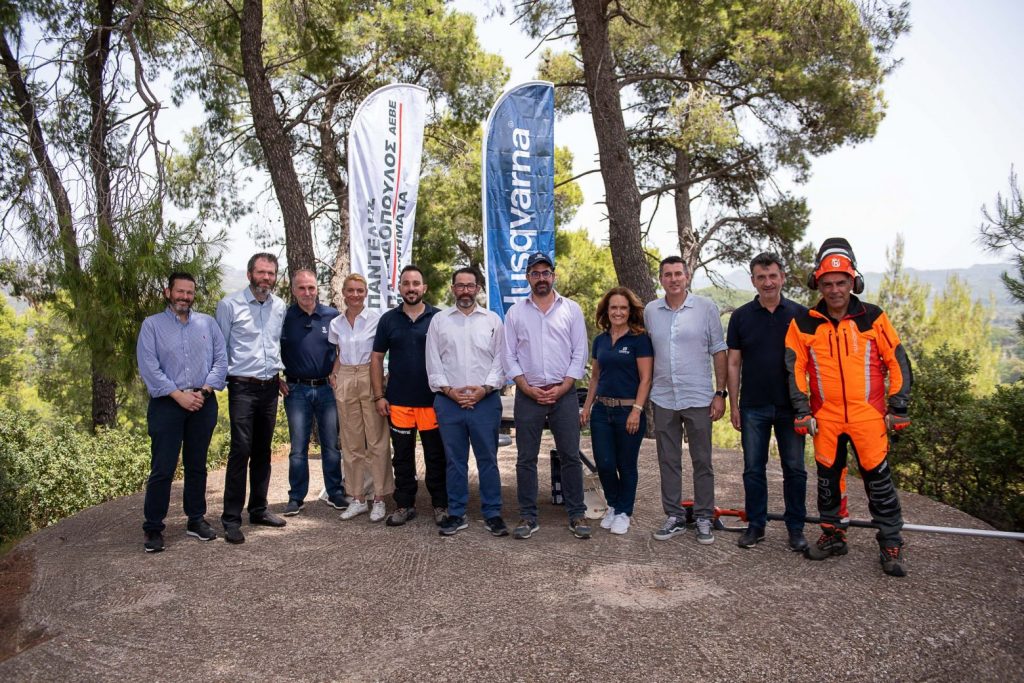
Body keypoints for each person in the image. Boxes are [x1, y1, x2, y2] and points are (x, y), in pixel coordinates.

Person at [785, 237, 912, 577]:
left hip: (868, 416)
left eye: (841, 282)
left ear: (853, 282)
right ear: (818, 284)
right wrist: (802, 411)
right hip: (825, 417)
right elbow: (794, 367)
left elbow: (897, 361)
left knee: (879, 482)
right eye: (827, 283)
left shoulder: (874, 318)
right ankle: (833, 535)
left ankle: (890, 542)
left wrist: (899, 406)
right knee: (828, 482)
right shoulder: (804, 323)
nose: (835, 290)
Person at [503, 252, 591, 540]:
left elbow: (579, 352)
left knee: (570, 456)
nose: (541, 278)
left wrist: (564, 386)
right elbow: (509, 355)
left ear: (553, 275)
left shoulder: (571, 309)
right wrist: (526, 387)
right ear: (528, 277)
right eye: (535, 273)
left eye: (545, 273)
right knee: (525, 458)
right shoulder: (516, 313)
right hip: (528, 395)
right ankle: (528, 516)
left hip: (563, 394)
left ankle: (577, 514)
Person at [137, 272, 227, 553]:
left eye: (189, 293)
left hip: (202, 401)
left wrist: (203, 392)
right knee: (163, 467)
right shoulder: (152, 325)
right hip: (167, 403)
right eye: (180, 291)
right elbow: (149, 366)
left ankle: (196, 519)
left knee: (197, 464)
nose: (185, 297)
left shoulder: (207, 323)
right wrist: (178, 395)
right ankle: (153, 527)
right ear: (168, 292)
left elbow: (221, 360)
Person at [726, 253, 809, 551]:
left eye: (773, 276)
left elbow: (813, 363)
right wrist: (734, 405)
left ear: (782, 277)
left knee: (795, 469)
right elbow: (733, 363)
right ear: (753, 281)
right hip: (753, 405)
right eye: (761, 277)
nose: (768, 282)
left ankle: (796, 529)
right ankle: (756, 525)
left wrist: (811, 406)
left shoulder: (801, 314)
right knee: (753, 469)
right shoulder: (741, 316)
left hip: (792, 407)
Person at [644, 256, 728, 545]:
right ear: (661, 279)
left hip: (698, 396)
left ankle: (704, 517)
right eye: (667, 274)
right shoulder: (651, 311)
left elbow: (719, 350)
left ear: (687, 276)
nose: (673, 279)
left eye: (678, 273)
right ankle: (675, 516)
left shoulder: (705, 307)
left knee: (702, 460)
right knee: (668, 460)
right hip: (664, 397)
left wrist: (720, 393)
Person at [426, 267, 507, 537]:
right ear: (453, 289)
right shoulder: (440, 321)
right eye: (460, 286)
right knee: (454, 461)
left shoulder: (493, 320)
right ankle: (457, 513)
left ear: (478, 288)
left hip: (485, 401)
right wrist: (450, 392)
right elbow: (433, 361)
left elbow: (500, 360)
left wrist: (484, 389)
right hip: (449, 402)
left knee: (488, 459)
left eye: (470, 286)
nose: (465, 291)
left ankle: (493, 514)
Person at [216, 252, 288, 544]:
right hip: (242, 388)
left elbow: (275, 345)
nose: (266, 278)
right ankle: (231, 519)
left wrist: (279, 376)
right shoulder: (229, 305)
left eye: (271, 273)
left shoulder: (279, 307)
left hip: (270, 387)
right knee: (241, 449)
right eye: (261, 272)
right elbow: (221, 348)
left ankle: (258, 509)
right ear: (250, 275)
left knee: (262, 450)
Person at [371, 264, 448, 527]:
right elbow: (376, 358)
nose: (411, 288)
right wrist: (379, 396)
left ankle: (440, 505)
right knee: (402, 458)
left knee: (435, 456)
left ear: (424, 287)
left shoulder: (439, 318)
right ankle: (404, 505)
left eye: (416, 283)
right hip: (399, 403)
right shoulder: (388, 320)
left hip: (432, 402)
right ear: (400, 287)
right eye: (406, 283)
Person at [580, 287, 653, 536]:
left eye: (623, 308)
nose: (618, 312)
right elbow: (595, 378)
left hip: (628, 411)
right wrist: (587, 407)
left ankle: (623, 512)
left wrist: (636, 410)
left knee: (626, 464)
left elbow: (646, 379)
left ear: (630, 311)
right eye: (614, 307)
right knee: (605, 463)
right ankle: (612, 505)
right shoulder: (600, 340)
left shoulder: (639, 340)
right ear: (607, 310)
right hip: (602, 411)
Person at [279, 269, 347, 516]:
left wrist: (336, 373)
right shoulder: (284, 317)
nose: (307, 292)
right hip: (296, 389)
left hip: (327, 388)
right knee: (298, 448)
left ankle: (335, 492)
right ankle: (296, 497)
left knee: (331, 445)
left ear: (317, 288)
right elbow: (270, 347)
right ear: (293, 290)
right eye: (301, 288)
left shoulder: (332, 316)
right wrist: (276, 377)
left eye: (311, 287)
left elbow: (343, 348)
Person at [329, 274, 394, 522]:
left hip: (370, 374)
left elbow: (383, 353)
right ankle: (357, 498)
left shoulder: (377, 320)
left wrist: (384, 379)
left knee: (377, 441)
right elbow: (339, 352)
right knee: (351, 442)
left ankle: (379, 498)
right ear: (343, 293)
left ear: (366, 293)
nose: (355, 295)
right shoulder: (336, 324)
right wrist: (335, 374)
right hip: (346, 376)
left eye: (359, 290)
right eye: (350, 290)